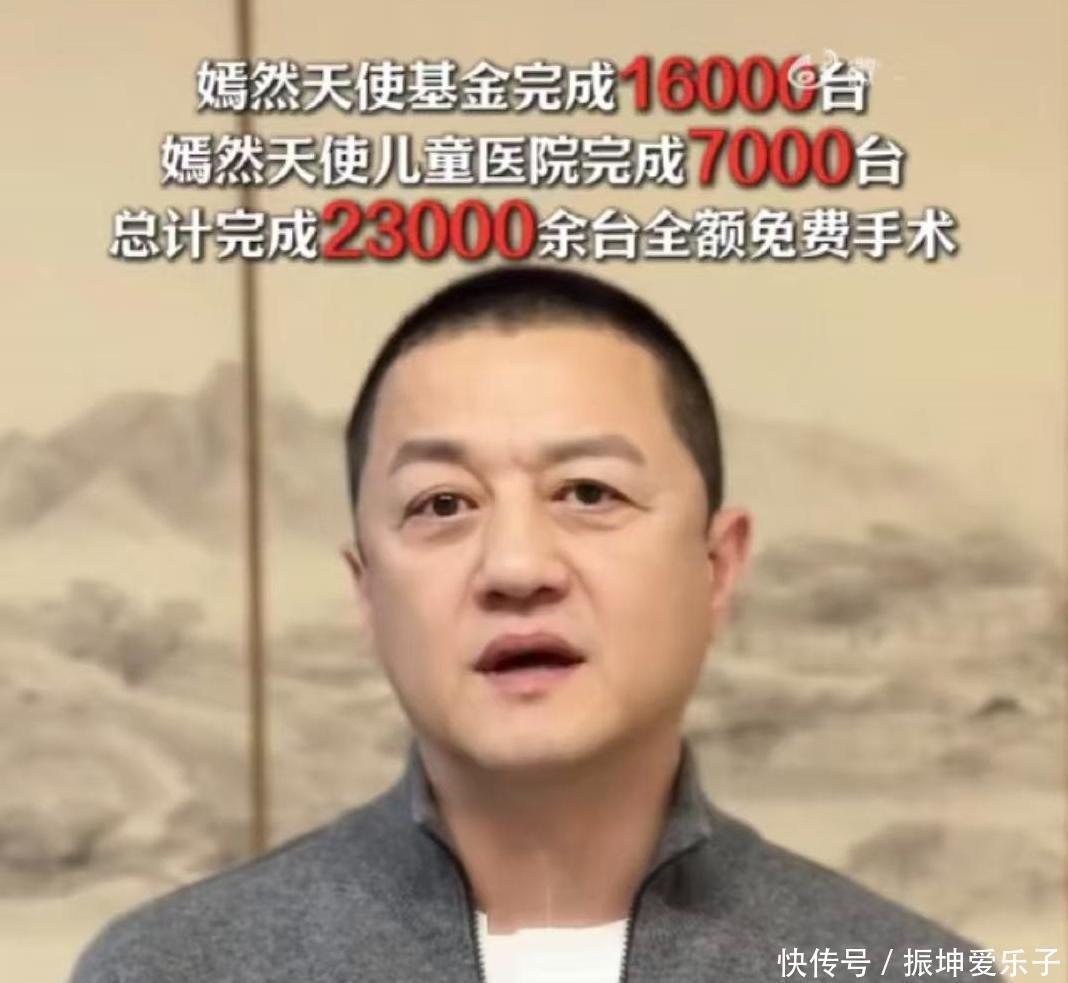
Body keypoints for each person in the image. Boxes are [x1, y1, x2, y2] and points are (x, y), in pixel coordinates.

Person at [72, 267, 982, 983]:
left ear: (717, 565)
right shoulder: (170, 969)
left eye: (588, 491)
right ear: (368, 591)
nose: (516, 568)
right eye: (441, 503)